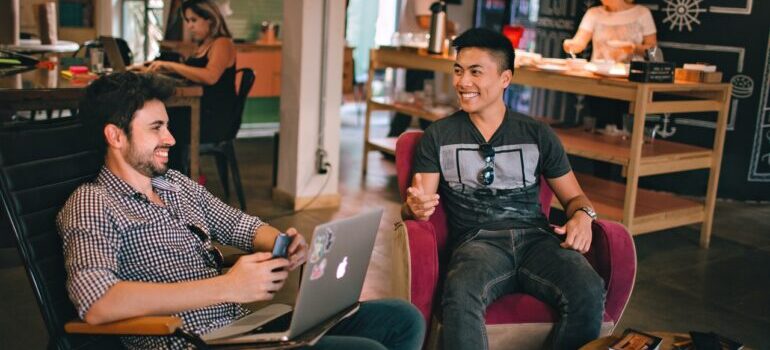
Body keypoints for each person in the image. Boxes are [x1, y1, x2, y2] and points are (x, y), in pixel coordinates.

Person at [57, 72, 425, 350]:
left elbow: (237, 225)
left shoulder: (175, 184)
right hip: (193, 341)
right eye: (156, 128)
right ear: (116, 136)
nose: (170, 138)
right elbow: (98, 302)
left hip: (241, 329)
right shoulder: (93, 203)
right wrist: (226, 287)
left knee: (402, 319)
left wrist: (281, 242)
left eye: (167, 125)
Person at [402, 28, 605, 349]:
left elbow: (575, 198)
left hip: (538, 240)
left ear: (505, 79)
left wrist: (584, 215)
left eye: (475, 72)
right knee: (460, 293)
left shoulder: (537, 134)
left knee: (588, 288)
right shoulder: (438, 135)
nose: (462, 82)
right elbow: (418, 201)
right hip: (477, 243)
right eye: (458, 70)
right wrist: (414, 208)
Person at [134, 0, 237, 174]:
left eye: (194, 20)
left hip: (214, 118)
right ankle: (167, 176)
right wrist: (153, 68)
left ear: (210, 20)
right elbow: (192, 73)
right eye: (188, 21)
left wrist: (170, 65)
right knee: (156, 119)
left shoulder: (222, 43)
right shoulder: (203, 45)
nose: (189, 26)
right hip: (202, 110)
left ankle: (172, 179)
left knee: (160, 124)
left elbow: (210, 76)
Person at [387, 0, 457, 139]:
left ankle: (430, 143)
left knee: (421, 98)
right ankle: (396, 140)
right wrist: (450, 25)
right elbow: (424, 21)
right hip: (418, 49)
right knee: (416, 98)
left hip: (423, 49)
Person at [563, 0, 657, 63]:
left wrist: (634, 48)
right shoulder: (593, 13)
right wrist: (570, 46)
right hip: (597, 74)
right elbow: (579, 42)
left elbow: (654, 52)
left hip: (631, 76)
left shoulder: (642, 13)